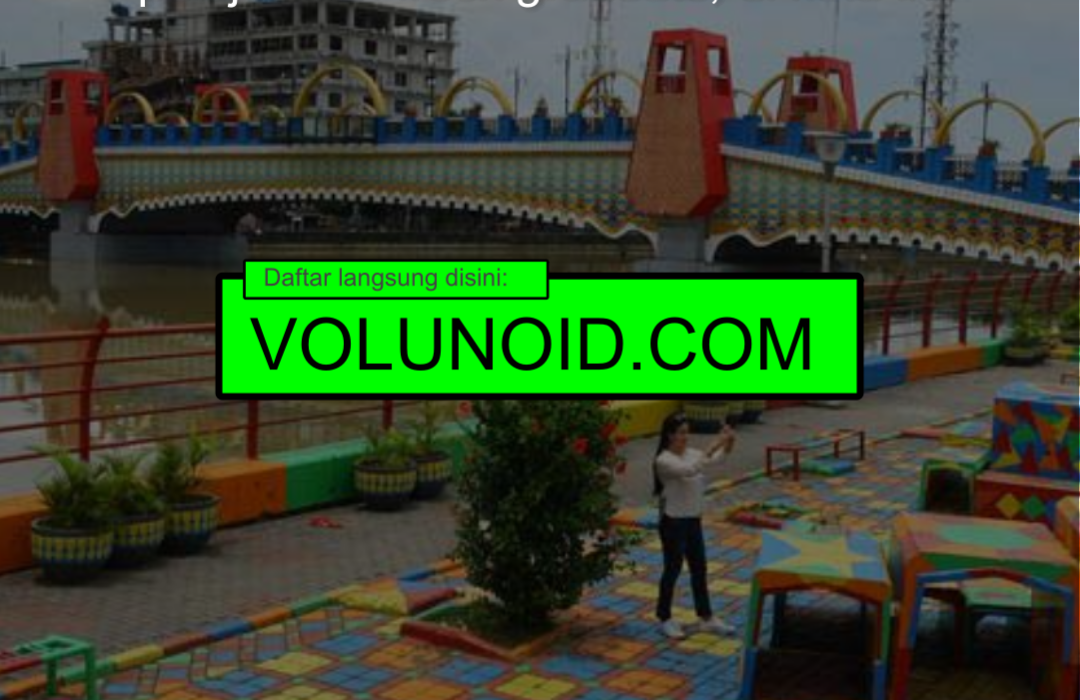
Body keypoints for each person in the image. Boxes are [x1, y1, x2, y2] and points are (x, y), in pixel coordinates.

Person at [653, 413, 737, 639]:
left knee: (699, 568)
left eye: (687, 432)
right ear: (670, 435)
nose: (686, 437)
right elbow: (689, 470)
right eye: (681, 432)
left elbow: (717, 459)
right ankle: (665, 617)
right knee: (672, 569)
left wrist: (729, 441)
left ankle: (706, 617)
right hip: (673, 521)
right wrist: (715, 443)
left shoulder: (691, 453)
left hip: (692, 519)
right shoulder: (664, 460)